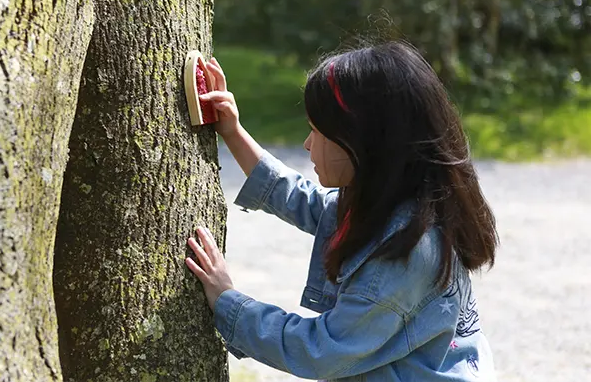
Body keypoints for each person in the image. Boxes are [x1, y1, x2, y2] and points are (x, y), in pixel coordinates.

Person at [185, 41, 500, 381]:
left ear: (365, 143)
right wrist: (233, 132)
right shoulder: (393, 204)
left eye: (318, 132)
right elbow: (303, 200)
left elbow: (321, 349)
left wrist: (228, 302)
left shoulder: (403, 254)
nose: (307, 144)